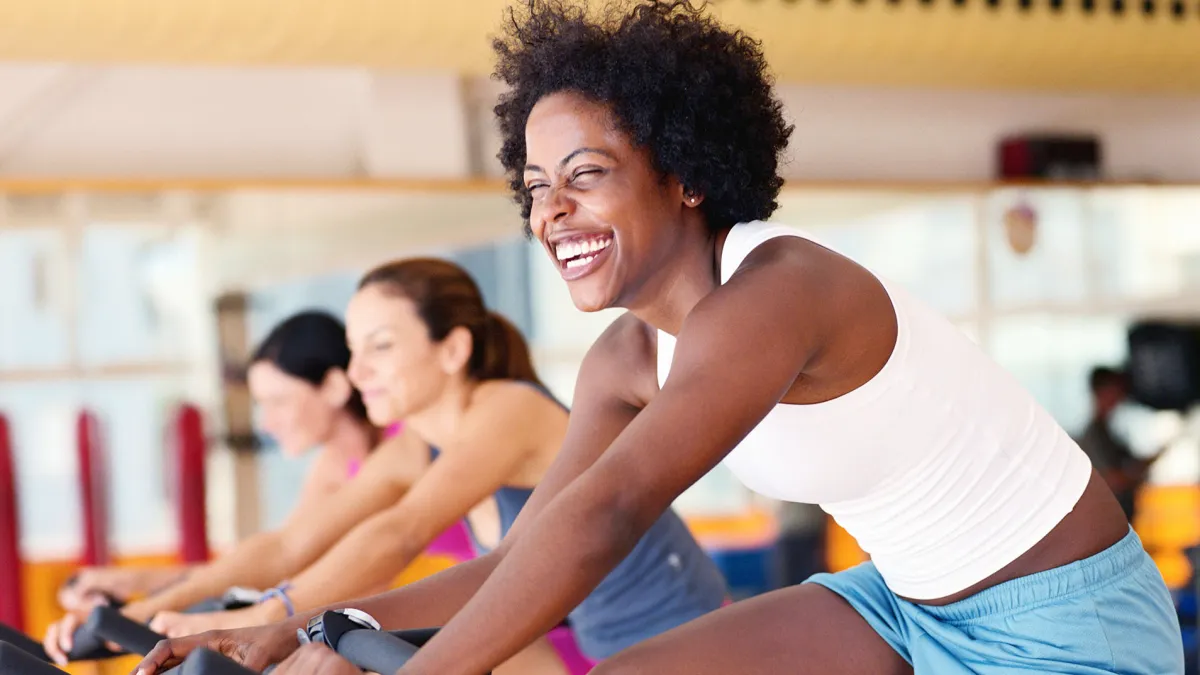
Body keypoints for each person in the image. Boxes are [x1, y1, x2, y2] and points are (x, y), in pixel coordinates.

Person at [133, 2, 1184, 674]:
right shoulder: (625, 362)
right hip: (902, 604)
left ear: (685, 170)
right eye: (536, 189)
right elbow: (528, 551)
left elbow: (609, 510)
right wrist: (310, 621)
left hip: (1063, 624)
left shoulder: (783, 284)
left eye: (585, 176)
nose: (551, 215)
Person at [135, 257, 727, 674]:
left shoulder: (509, 409)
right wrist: (143, 608)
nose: (358, 370)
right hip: (595, 652)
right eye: (355, 348)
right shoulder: (419, 443)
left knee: (452, 633)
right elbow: (292, 541)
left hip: (692, 649)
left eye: (381, 347)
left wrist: (271, 621)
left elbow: (401, 532)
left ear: (453, 350)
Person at [44, 311, 466, 663]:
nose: (266, 422)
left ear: (336, 387)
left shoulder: (404, 444)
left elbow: (291, 556)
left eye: (278, 401)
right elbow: (279, 564)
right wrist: (138, 585)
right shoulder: (333, 467)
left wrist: (144, 607)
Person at [1076, 366, 1168, 523]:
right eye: (1116, 389)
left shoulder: (1108, 433)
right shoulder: (1092, 437)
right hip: (1107, 524)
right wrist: (1137, 472)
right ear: (1102, 392)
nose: (1121, 395)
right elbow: (1112, 481)